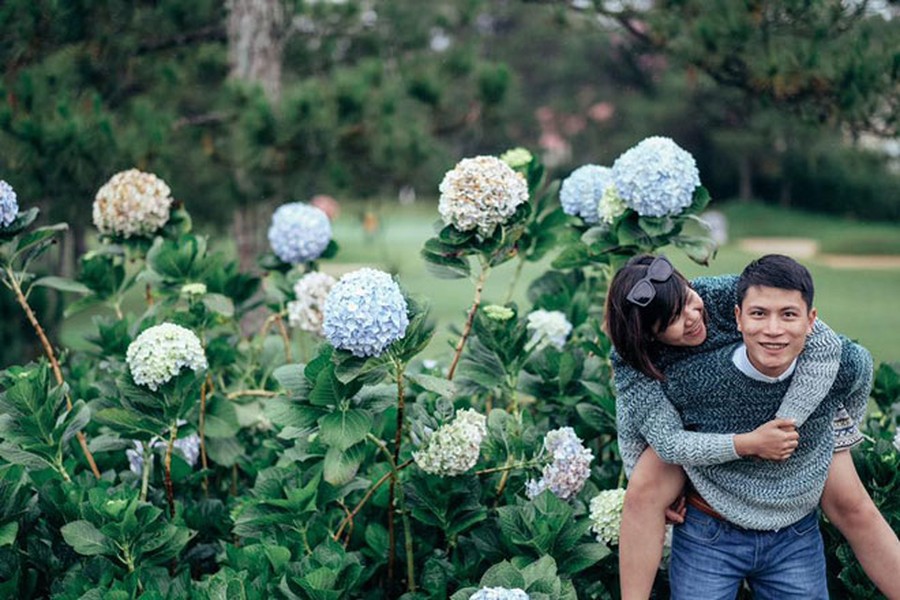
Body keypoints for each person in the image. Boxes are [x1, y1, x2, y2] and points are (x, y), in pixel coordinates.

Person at [605, 254, 900, 599]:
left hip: (798, 400)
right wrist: (749, 443)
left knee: (854, 505)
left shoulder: (723, 295)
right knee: (644, 487)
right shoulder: (633, 361)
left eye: (688, 300)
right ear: (647, 335)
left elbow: (823, 341)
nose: (693, 317)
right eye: (673, 320)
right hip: (701, 433)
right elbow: (642, 429)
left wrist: (788, 424)